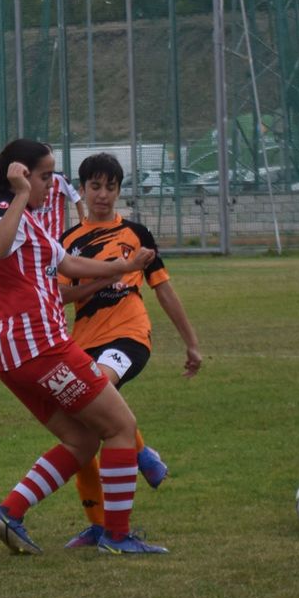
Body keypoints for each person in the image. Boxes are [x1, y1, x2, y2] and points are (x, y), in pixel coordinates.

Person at [0, 138, 168, 555]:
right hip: (40, 347)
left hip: (15, 355)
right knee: (120, 428)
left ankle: (10, 512)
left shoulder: (26, 220)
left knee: (82, 442)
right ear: (21, 174)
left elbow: (67, 265)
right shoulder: (6, 207)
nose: (52, 184)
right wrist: (22, 193)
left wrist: (124, 265)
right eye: (46, 176)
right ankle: (117, 537)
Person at [58, 152, 202, 548]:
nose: (103, 195)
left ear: (119, 190)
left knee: (98, 392)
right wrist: (115, 271)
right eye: (95, 187)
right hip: (84, 343)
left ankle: (139, 461)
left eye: (111, 187)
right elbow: (60, 297)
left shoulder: (138, 236)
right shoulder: (67, 243)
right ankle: (102, 524)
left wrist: (191, 343)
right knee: (84, 432)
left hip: (129, 336)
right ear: (83, 190)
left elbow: (165, 290)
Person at [32, 166, 86, 241]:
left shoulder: (59, 178)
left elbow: (77, 199)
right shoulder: (31, 177)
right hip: (35, 235)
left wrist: (82, 225)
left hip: (55, 235)